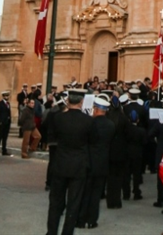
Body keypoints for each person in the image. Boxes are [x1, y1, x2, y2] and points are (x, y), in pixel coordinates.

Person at [46, 89, 96, 235]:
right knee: (73, 204)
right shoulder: (88, 121)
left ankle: (51, 232)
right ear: (81, 102)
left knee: (55, 202)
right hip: (79, 165)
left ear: (68, 101)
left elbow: (53, 136)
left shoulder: (58, 118)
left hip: (61, 163)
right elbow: (92, 141)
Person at [77, 95, 115, 229]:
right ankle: (92, 220)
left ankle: (81, 220)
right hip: (102, 163)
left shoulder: (90, 123)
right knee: (96, 194)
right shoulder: (111, 125)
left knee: (84, 192)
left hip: (88, 161)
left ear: (97, 109)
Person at [0, 91, 12, 156]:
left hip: (7, 123)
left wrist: (10, 121)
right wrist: (0, 122)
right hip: (2, 123)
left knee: (5, 137)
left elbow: (9, 113)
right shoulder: (0, 103)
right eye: (5, 96)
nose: (7, 97)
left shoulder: (8, 104)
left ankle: (4, 151)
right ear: (3, 96)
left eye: (7, 96)